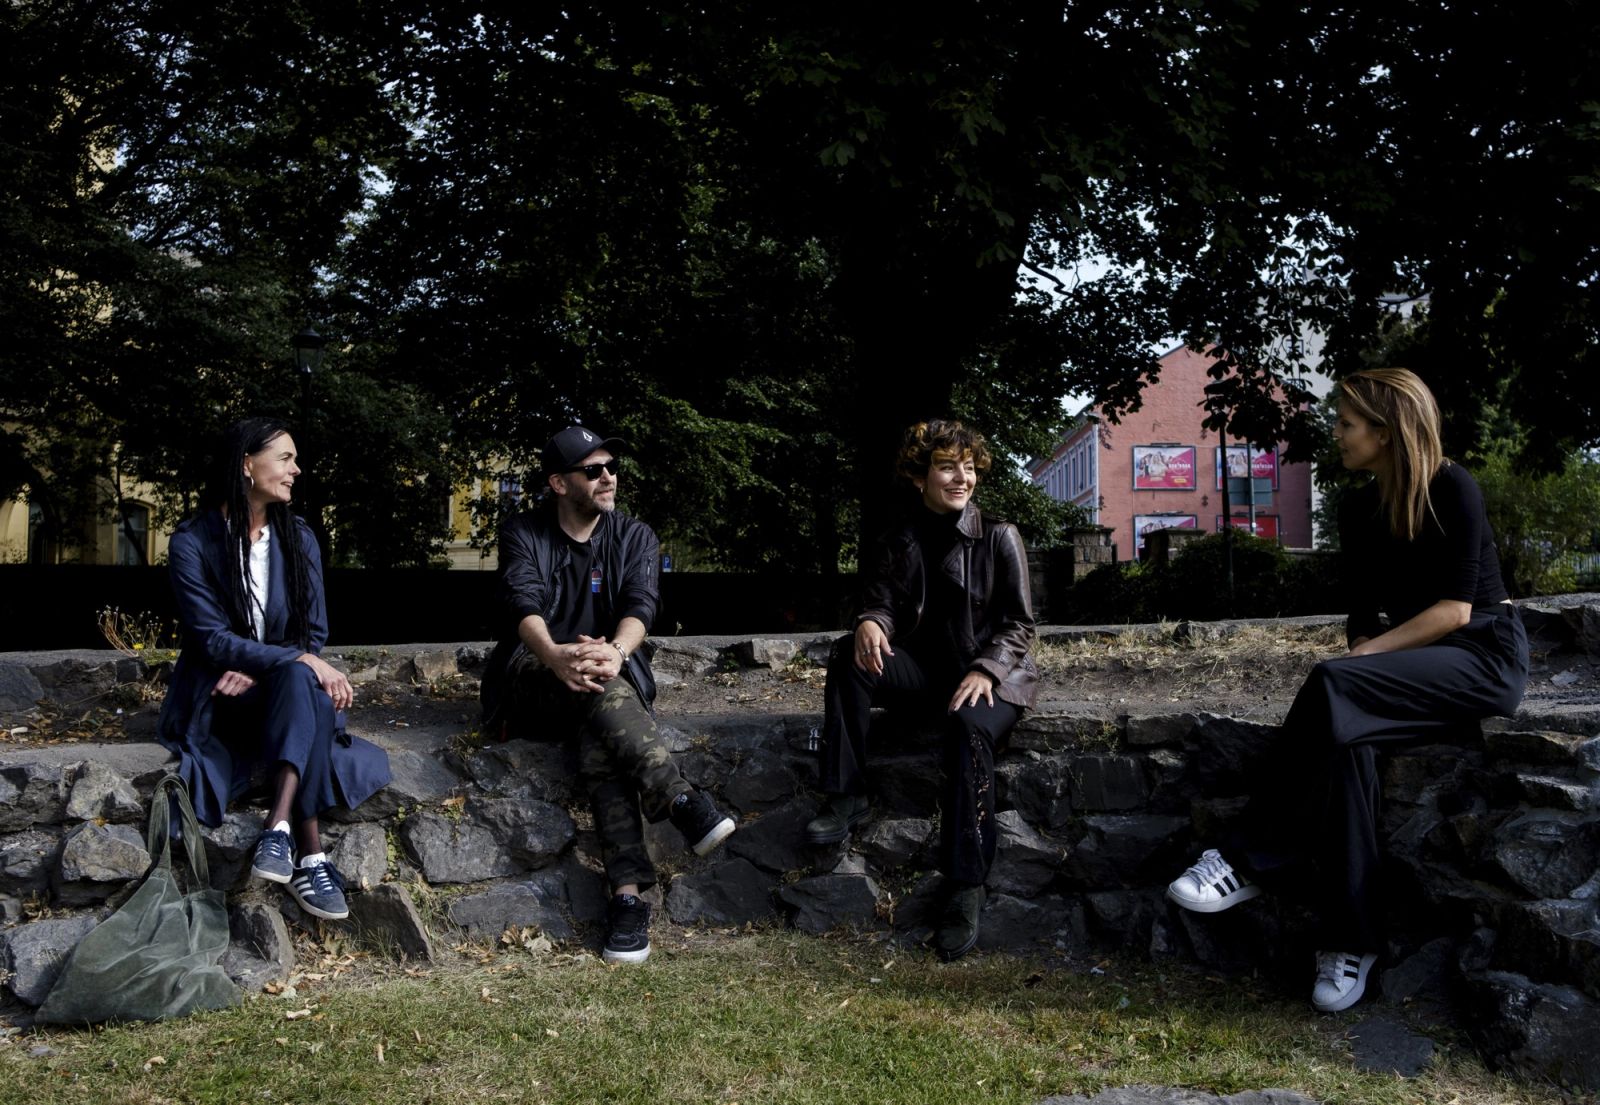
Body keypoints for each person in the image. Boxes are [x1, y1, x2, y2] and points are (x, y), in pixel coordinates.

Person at [1165, 368, 1529, 1012]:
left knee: (1334, 681)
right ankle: (1350, 942)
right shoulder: (1359, 508)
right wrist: (1365, 651)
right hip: (1411, 665)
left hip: (1482, 658)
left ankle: (1246, 859)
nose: (1335, 434)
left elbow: (1456, 611)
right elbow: (1362, 616)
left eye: (1346, 423)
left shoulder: (1452, 486)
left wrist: (1364, 659)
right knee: (1347, 748)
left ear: (1385, 432)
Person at [480, 425, 736, 965]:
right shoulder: (523, 532)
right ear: (558, 483)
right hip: (536, 676)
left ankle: (626, 901)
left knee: (602, 738)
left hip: (609, 676)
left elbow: (642, 605)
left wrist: (616, 652)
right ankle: (678, 799)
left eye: (612, 468)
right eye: (593, 470)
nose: (608, 478)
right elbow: (522, 601)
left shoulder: (634, 536)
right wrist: (555, 655)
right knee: (600, 694)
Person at [805, 419, 1038, 961]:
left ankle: (965, 885)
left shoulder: (999, 535)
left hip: (994, 676)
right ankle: (847, 795)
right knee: (847, 655)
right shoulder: (900, 535)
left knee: (967, 730)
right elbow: (882, 601)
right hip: (926, 674)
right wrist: (870, 622)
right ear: (919, 476)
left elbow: (1019, 623)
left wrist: (986, 670)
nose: (961, 478)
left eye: (968, 467)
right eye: (946, 466)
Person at [159, 418, 391, 921]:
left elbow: (312, 631)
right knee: (307, 683)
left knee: (301, 680)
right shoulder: (192, 542)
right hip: (221, 693)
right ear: (247, 464)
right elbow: (212, 639)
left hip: (280, 689)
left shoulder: (298, 537)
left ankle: (278, 830)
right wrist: (287, 660)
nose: (296, 469)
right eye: (285, 458)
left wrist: (274, 664)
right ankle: (311, 853)